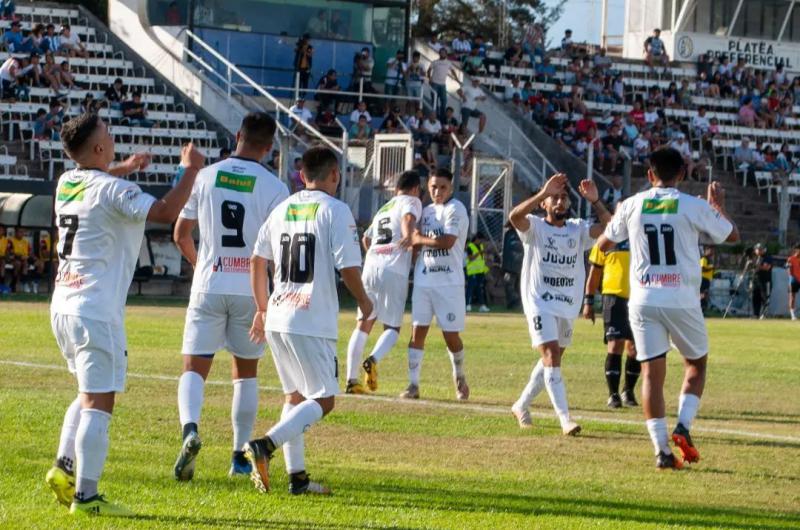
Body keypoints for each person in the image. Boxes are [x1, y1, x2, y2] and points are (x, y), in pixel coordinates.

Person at [45, 112, 204, 515]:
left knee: (86, 392)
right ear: (99, 148)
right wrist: (190, 171)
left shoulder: (68, 181)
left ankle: (63, 467)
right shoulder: (113, 190)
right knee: (100, 401)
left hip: (64, 303)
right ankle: (86, 497)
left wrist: (127, 166)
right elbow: (167, 212)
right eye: (109, 136)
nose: (114, 140)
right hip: (95, 309)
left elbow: (94, 173)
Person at [598, 147, 739, 470]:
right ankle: (683, 426)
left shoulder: (632, 204)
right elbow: (733, 235)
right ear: (682, 174)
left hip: (643, 299)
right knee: (696, 365)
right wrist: (718, 207)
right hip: (681, 298)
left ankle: (662, 452)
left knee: (651, 374)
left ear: (650, 175)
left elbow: (604, 243)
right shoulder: (692, 205)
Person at [243, 145, 373, 496]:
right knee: (324, 400)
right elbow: (348, 267)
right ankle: (265, 445)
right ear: (335, 175)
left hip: (278, 313)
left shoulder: (282, 208)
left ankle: (297, 479)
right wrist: (364, 300)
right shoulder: (335, 209)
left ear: (302, 175)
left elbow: (257, 259)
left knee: (296, 396)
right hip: (310, 318)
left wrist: (261, 306)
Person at [171, 113, 289, 481]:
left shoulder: (205, 177)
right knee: (246, 373)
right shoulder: (274, 188)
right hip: (251, 292)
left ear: (238, 135)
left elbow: (180, 233)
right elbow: (277, 255)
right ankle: (239, 457)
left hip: (209, 283)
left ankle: (190, 430)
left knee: (194, 367)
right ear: (269, 147)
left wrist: (200, 263)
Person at [508, 173, 611, 434]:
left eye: (563, 197)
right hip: (539, 301)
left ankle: (521, 404)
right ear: (545, 204)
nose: (559, 202)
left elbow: (612, 229)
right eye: (554, 198)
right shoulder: (535, 227)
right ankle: (565, 420)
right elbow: (514, 217)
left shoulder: (577, 229)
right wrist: (542, 193)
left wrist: (596, 201)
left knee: (551, 359)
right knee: (551, 356)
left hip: (567, 304)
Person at [344, 170, 422, 394]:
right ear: (415, 188)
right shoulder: (412, 200)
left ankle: (351, 380)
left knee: (364, 323)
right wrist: (408, 236)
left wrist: (376, 254)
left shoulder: (384, 208)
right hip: (393, 269)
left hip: (371, 266)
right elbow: (408, 218)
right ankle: (373, 359)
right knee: (393, 328)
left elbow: (366, 238)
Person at [401, 167, 470, 401]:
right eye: (433, 187)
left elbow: (447, 241)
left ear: (450, 187)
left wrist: (418, 238)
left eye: (442, 187)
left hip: (449, 283)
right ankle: (413, 385)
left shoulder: (456, 209)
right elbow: (413, 241)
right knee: (417, 332)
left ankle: (459, 375)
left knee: (451, 337)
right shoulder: (426, 210)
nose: (437, 191)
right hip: (424, 280)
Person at [583, 230, 640, 409]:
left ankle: (628, 391)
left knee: (635, 348)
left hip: (639, 298)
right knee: (615, 345)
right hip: (613, 298)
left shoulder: (640, 236)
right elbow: (594, 273)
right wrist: (588, 302)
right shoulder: (606, 239)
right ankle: (613, 394)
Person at [428, 47, 455, 123]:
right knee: (434, 102)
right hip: (434, 84)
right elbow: (429, 70)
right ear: (439, 53)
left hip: (443, 85)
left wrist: (456, 79)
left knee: (444, 101)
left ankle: (442, 119)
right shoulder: (435, 62)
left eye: (444, 52)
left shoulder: (448, 63)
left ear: (446, 54)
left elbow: (453, 70)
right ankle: (434, 118)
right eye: (441, 52)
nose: (443, 54)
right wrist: (429, 78)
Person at [465, 233, 490, 312]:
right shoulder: (470, 246)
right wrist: (479, 252)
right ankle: (467, 305)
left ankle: (482, 305)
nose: (482, 242)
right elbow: (471, 258)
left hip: (480, 271)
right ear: (477, 239)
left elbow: (482, 259)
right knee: (470, 288)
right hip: (472, 271)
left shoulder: (481, 246)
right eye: (481, 240)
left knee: (480, 288)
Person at [501, 222, 523, 309]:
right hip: (511, 265)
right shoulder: (509, 234)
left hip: (515, 265)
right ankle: (513, 303)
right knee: (510, 284)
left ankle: (516, 302)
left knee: (511, 285)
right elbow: (506, 251)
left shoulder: (520, 234)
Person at [751, 243, 773, 318]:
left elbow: (766, 267)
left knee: (765, 298)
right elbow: (753, 269)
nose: (759, 250)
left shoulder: (767, 257)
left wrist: (756, 265)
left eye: (760, 249)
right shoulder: (755, 258)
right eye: (757, 249)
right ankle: (755, 314)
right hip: (756, 280)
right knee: (755, 297)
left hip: (765, 281)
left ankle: (764, 314)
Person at [787, 244, 800, 321]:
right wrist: (792, 278)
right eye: (798, 249)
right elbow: (788, 270)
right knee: (792, 297)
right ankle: (792, 315)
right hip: (794, 280)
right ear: (796, 250)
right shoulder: (791, 259)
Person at [699, 246, 714, 314]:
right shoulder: (704, 259)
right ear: (706, 251)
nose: (712, 252)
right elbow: (702, 269)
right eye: (710, 250)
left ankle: (703, 308)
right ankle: (702, 308)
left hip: (707, 279)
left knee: (705, 294)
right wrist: (711, 268)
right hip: (703, 279)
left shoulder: (709, 260)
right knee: (703, 294)